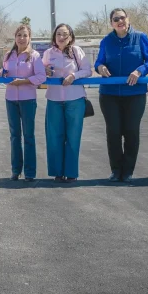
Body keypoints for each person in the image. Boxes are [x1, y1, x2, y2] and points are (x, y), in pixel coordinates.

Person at [94, 8, 148, 182]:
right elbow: (99, 61)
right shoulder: (107, 41)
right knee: (113, 132)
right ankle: (116, 170)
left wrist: (140, 71)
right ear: (111, 23)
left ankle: (128, 171)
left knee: (131, 131)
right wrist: (100, 67)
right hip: (109, 95)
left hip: (135, 93)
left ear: (128, 19)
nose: (120, 21)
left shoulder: (140, 37)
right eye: (116, 19)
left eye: (122, 18)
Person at [43, 24, 92, 182]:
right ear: (54, 37)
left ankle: (71, 173)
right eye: (58, 34)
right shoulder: (48, 53)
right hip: (54, 99)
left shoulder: (76, 51)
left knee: (73, 137)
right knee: (54, 137)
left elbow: (87, 70)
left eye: (65, 34)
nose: (61, 37)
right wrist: (46, 71)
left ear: (70, 36)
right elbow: (41, 70)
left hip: (75, 99)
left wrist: (74, 76)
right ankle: (57, 172)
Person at [3, 24, 46, 183]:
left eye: (25, 35)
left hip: (28, 100)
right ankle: (15, 170)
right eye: (19, 35)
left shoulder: (34, 56)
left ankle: (30, 172)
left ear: (30, 38)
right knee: (15, 136)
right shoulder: (8, 55)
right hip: (11, 99)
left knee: (28, 136)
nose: (22, 38)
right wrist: (4, 73)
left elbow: (41, 76)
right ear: (15, 37)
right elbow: (4, 73)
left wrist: (24, 81)